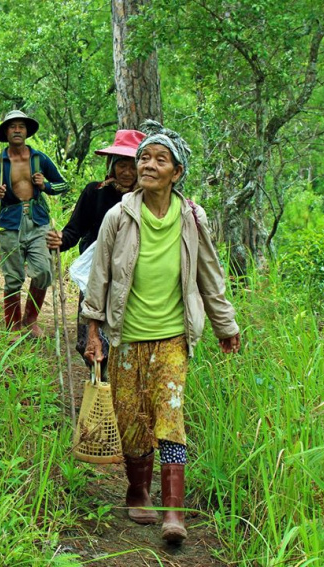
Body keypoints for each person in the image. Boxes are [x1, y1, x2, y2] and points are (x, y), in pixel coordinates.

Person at [81, 120, 241, 544]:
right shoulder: (119, 215)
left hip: (173, 336)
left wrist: (225, 325)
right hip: (127, 337)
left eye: (160, 159)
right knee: (132, 419)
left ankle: (174, 512)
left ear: (177, 172)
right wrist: (93, 332)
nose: (148, 165)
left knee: (170, 416)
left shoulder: (191, 216)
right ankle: (137, 490)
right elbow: (99, 278)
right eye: (144, 157)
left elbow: (209, 272)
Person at [45, 129, 146, 375]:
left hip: (132, 278)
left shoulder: (146, 199)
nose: (126, 172)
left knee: (123, 340)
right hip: (94, 275)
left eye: (132, 165)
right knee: (87, 340)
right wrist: (60, 240)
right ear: (111, 165)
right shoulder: (95, 192)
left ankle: (112, 393)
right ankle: (97, 386)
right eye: (121, 164)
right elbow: (74, 230)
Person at [0, 110, 70, 337]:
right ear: (6, 132)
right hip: (10, 223)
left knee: (43, 271)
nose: (17, 130)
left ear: (27, 131)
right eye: (12, 127)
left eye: (21, 126)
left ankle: (30, 320)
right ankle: (12, 327)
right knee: (13, 278)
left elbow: (64, 185)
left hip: (37, 221)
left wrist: (45, 186)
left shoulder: (39, 159)